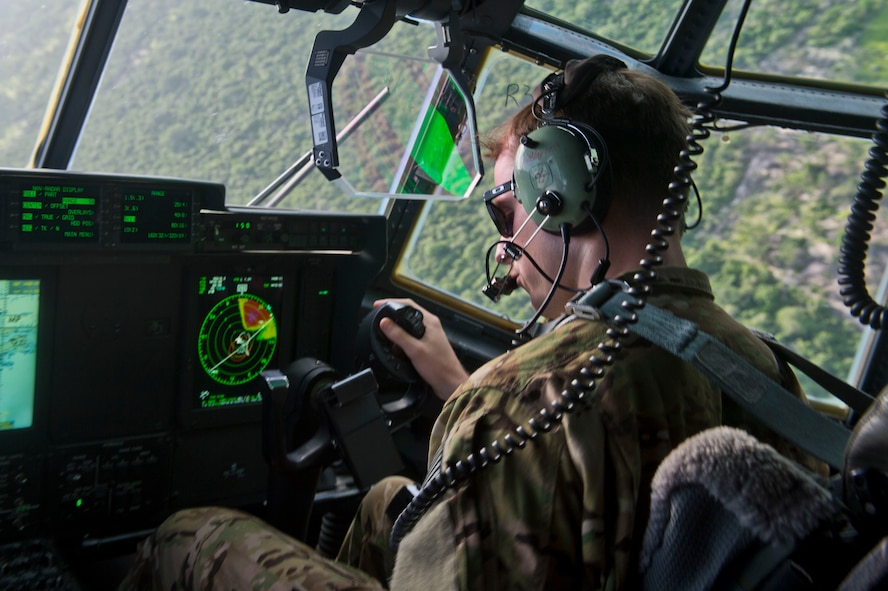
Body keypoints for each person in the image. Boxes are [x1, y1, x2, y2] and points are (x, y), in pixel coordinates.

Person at [119, 55, 824, 591]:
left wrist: (485, 400)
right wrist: (463, 390)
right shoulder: (763, 372)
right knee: (385, 502)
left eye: (503, 209)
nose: (508, 244)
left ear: (564, 194)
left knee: (191, 533)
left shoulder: (524, 402)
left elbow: (549, 427)